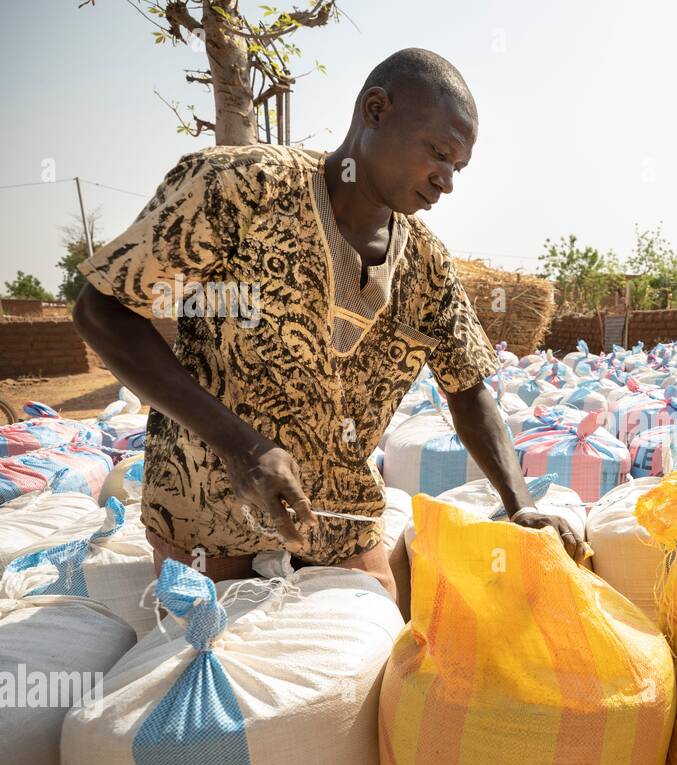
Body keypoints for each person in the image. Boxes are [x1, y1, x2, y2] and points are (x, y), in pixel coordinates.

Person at [73, 48, 584, 605]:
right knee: (224, 671)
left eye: (457, 167)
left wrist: (520, 504)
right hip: (208, 511)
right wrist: (240, 447)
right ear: (375, 109)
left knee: (363, 666)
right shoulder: (242, 189)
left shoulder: (427, 266)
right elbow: (102, 310)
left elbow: (468, 389)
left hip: (340, 519)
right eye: (438, 153)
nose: (446, 181)